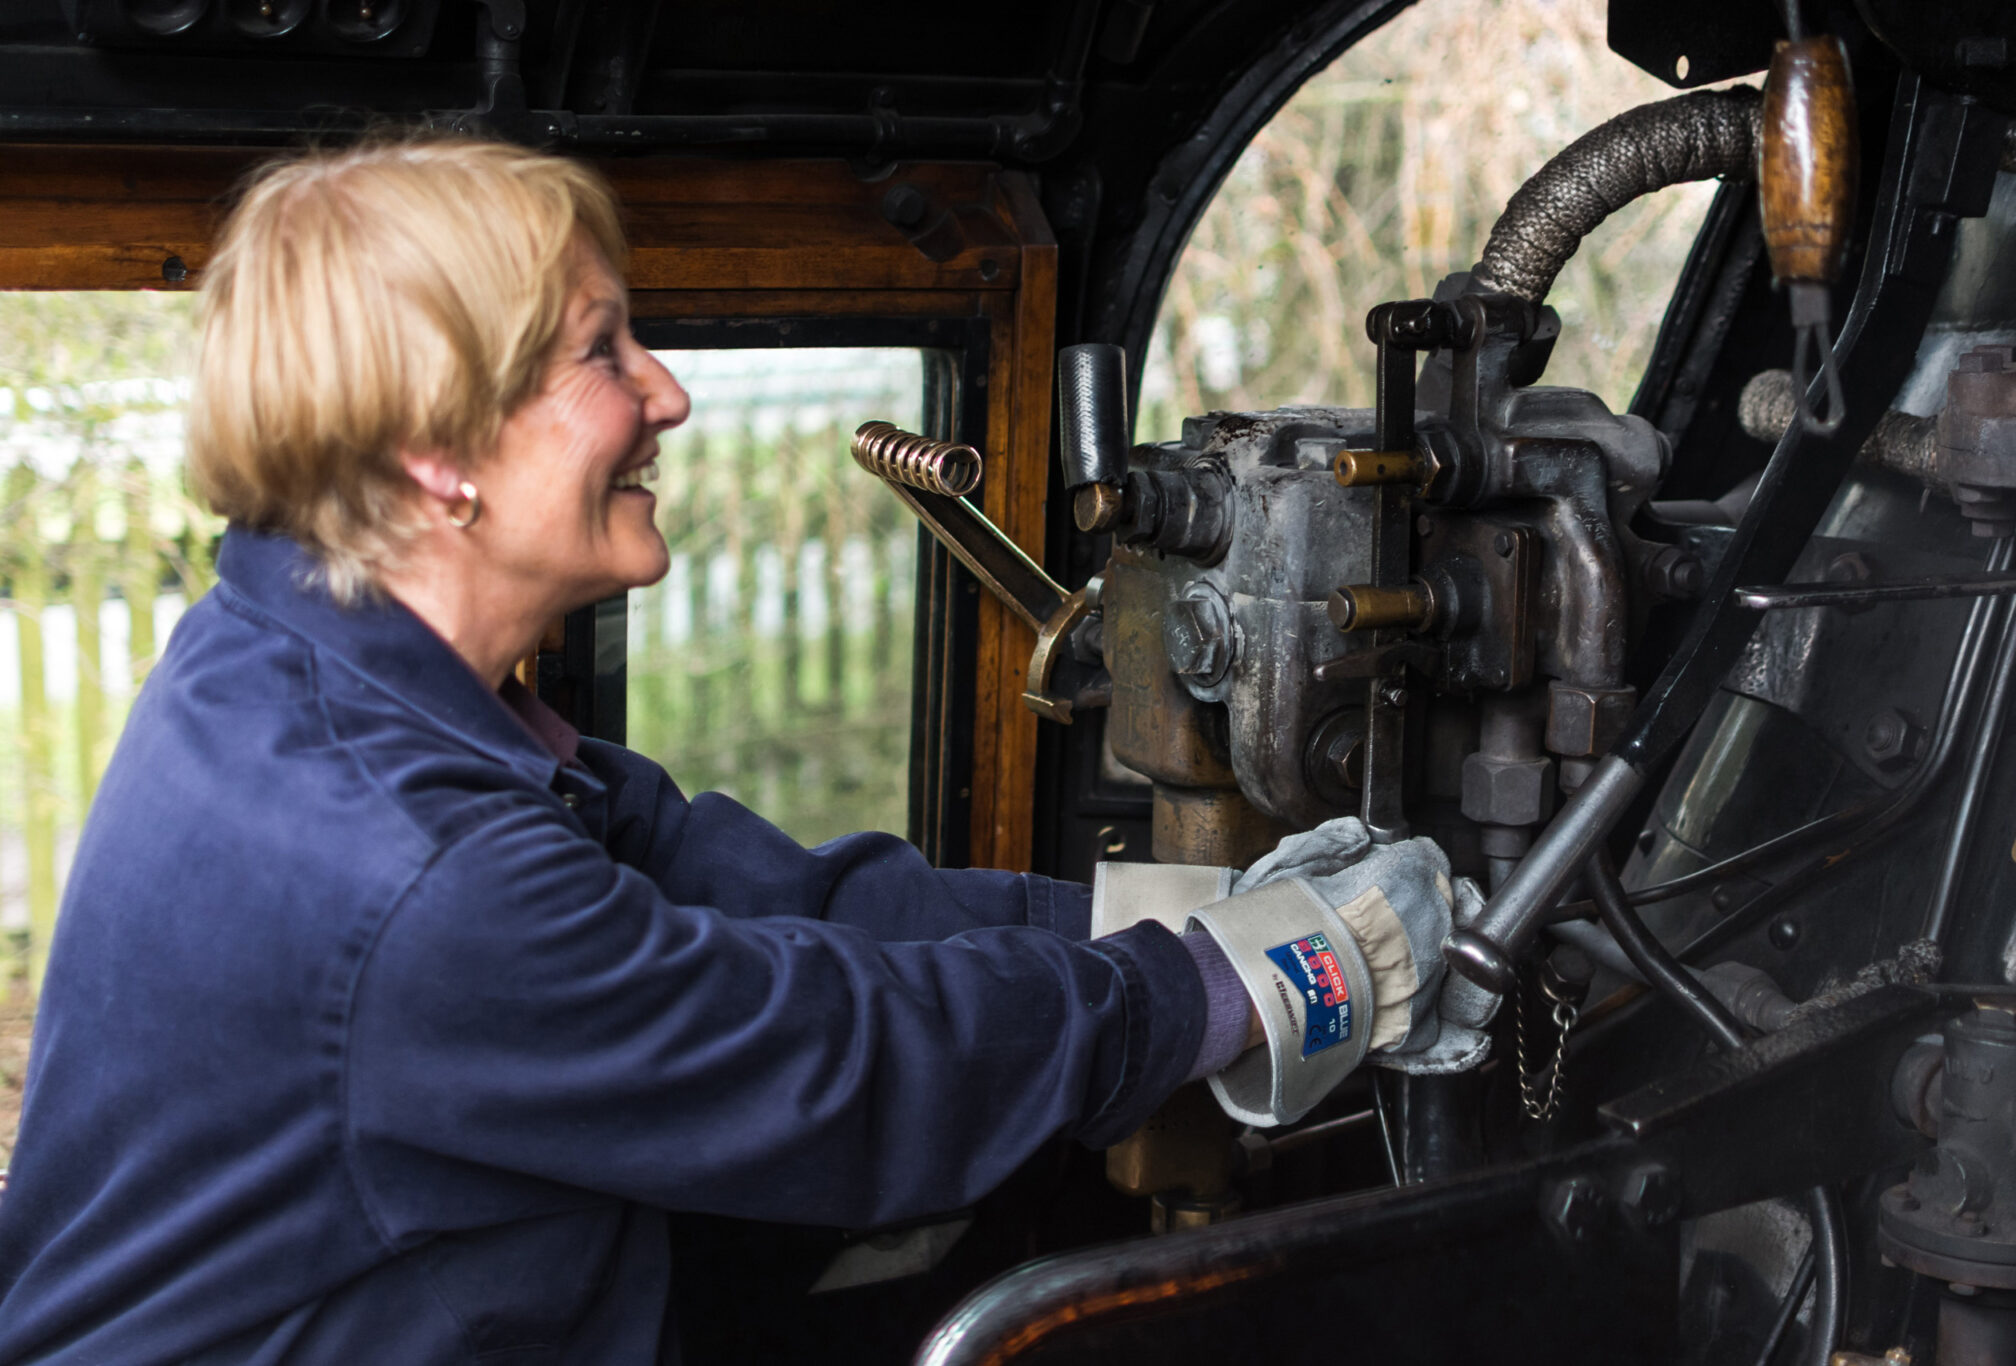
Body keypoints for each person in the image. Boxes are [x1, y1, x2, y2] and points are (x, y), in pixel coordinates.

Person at [0, 137, 1486, 1364]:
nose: (668, 392)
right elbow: (838, 1073)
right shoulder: (411, 872)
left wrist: (1163, 919)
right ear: (432, 458)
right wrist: (1254, 980)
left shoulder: (314, 665)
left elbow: (759, 893)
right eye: (601, 353)